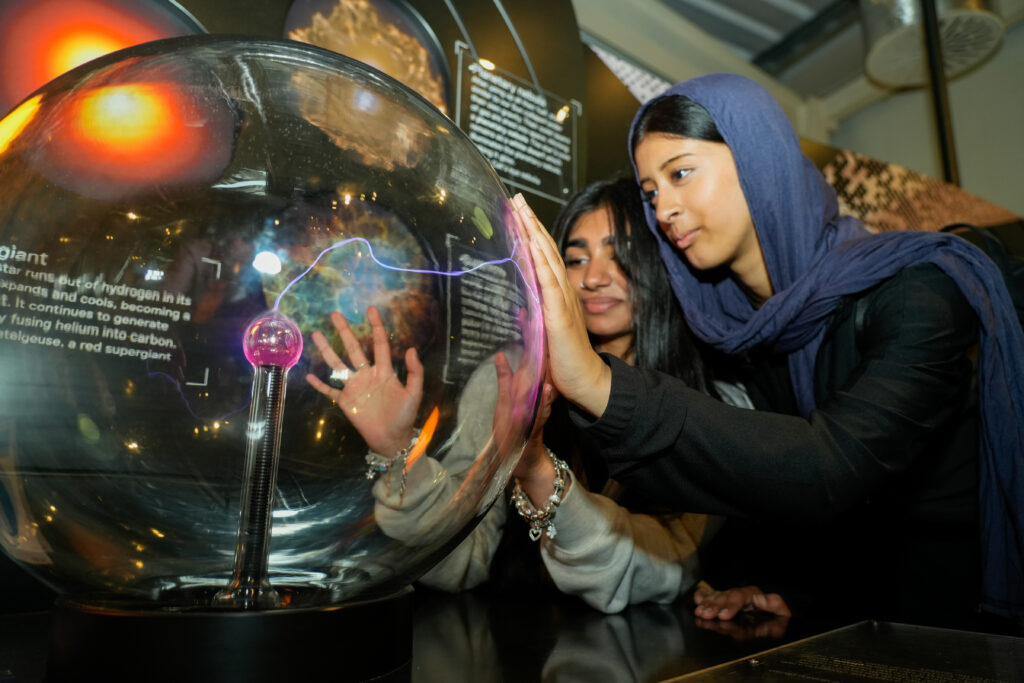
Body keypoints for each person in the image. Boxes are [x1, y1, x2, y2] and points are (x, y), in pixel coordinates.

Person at [514, 73, 1024, 631]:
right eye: (652, 193)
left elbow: (831, 468)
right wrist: (793, 597)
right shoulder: (739, 336)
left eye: (681, 173)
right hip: (869, 620)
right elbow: (803, 511)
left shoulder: (918, 293)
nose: (664, 211)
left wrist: (593, 380)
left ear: (759, 158)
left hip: (973, 620)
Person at [307, 177, 746, 614]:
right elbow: (464, 561)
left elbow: (670, 567)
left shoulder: (717, 404)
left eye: (621, 255)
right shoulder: (510, 378)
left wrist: (535, 468)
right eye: (574, 258)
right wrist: (400, 450)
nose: (592, 278)